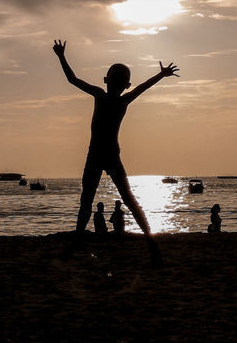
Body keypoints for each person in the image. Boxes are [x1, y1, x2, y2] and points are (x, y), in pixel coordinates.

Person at [53, 39, 179, 265]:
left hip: (108, 156)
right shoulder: (105, 97)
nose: (117, 85)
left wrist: (161, 76)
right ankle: (80, 241)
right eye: (115, 80)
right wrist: (61, 57)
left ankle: (150, 244)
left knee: (117, 200)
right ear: (107, 81)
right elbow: (73, 80)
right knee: (92, 200)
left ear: (124, 85)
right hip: (99, 155)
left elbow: (143, 87)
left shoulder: (117, 99)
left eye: (120, 82)